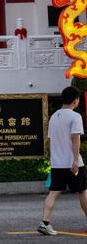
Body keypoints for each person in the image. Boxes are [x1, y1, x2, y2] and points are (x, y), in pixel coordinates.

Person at [38, 86, 86, 235]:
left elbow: (50, 140)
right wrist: (75, 161)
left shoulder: (54, 116)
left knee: (53, 192)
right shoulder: (75, 116)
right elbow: (75, 138)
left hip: (57, 163)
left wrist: (54, 159)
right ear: (76, 100)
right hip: (72, 163)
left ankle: (45, 222)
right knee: (83, 191)